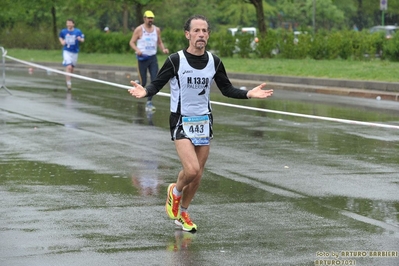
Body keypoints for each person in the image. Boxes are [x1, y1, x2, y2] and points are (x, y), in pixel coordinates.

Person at [128, 15, 273, 232]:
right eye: (196, 31)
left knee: (198, 174)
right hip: (181, 121)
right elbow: (157, 83)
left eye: (205, 31)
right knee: (192, 169)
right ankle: (175, 192)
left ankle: (183, 214)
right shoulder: (175, 60)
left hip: (204, 121)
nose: (201, 34)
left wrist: (248, 94)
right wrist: (146, 90)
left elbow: (227, 89)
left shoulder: (214, 62)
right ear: (188, 34)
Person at [129, 10, 169, 112]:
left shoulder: (157, 30)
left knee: (154, 80)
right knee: (143, 82)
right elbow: (132, 42)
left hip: (152, 58)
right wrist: (137, 50)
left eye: (152, 18)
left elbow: (159, 42)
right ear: (144, 18)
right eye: (149, 18)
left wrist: (163, 49)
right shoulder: (139, 29)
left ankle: (149, 102)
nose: (150, 20)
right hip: (142, 59)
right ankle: (139, 83)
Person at [59, 18, 84, 91]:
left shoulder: (77, 31)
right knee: (69, 67)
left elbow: (83, 39)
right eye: (67, 23)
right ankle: (68, 83)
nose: (69, 24)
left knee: (72, 69)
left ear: (73, 24)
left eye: (70, 23)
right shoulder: (63, 31)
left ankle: (68, 78)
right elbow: (60, 37)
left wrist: (80, 39)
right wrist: (62, 41)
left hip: (75, 52)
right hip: (67, 51)